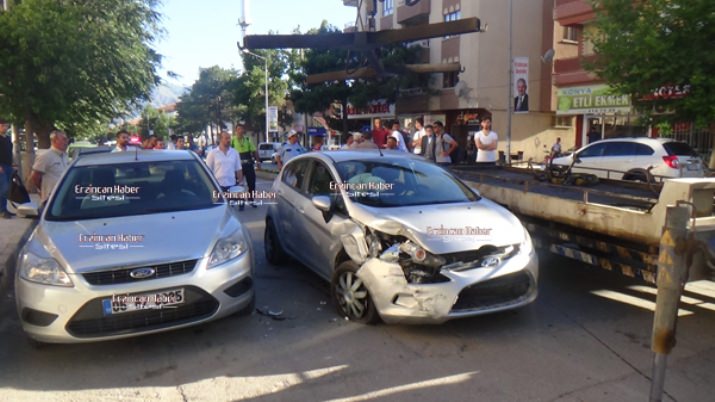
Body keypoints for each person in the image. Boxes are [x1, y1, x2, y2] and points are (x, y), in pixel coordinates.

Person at [30, 129, 70, 205]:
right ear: (55, 140)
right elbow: (35, 177)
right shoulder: (45, 156)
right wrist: (42, 190)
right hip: (51, 197)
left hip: (65, 195)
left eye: (67, 139)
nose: (66, 141)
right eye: (64, 139)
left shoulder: (65, 155)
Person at [231, 124, 261, 210]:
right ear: (236, 131)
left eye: (242, 129)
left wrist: (258, 161)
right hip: (237, 166)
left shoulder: (247, 139)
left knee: (252, 183)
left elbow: (254, 151)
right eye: (238, 129)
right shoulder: (232, 140)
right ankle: (241, 202)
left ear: (243, 130)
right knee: (239, 185)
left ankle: (251, 200)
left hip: (248, 165)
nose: (240, 131)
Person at [0, 118, 14, 218]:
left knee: (7, 188)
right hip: (1, 167)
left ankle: (4, 209)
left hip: (8, 166)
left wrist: (13, 163)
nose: (5, 127)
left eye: (6, 125)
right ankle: (2, 210)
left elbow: (9, 152)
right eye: (3, 125)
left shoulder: (7, 138)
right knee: (3, 188)